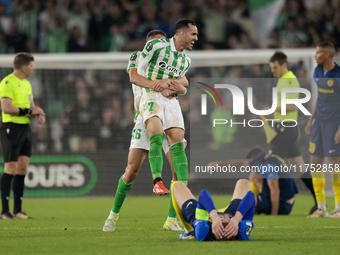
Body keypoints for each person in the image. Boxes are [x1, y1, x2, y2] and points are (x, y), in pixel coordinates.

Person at [103, 30, 188, 232]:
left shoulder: (172, 61)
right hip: (144, 116)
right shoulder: (138, 56)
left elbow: (184, 82)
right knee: (131, 171)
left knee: (177, 170)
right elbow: (134, 77)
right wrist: (159, 86)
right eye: (155, 44)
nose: (160, 48)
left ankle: (171, 219)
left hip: (167, 114)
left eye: (162, 44)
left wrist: (174, 85)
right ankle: (112, 216)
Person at [136, 19, 198, 195]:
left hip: (171, 101)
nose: (196, 38)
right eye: (193, 34)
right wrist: (157, 85)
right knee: (155, 134)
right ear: (182, 33)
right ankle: (157, 181)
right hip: (151, 94)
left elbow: (182, 85)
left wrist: (177, 87)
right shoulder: (156, 46)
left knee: (178, 143)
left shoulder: (186, 61)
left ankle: (183, 189)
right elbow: (139, 73)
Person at [269, 51, 317, 214]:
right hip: (284, 128)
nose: (272, 71)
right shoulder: (283, 80)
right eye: (271, 68)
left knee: (271, 162)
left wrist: (270, 108)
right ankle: (319, 200)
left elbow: (294, 105)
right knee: (299, 168)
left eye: (275, 67)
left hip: (286, 128)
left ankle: (277, 202)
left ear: (284, 65)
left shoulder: (289, 80)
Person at [0, 52, 45, 219]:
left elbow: (31, 108)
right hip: (11, 128)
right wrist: (29, 111)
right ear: (24, 67)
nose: (33, 69)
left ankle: (17, 210)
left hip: (25, 129)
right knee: (10, 169)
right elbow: (6, 107)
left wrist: (38, 114)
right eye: (32, 66)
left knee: (23, 168)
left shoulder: (27, 84)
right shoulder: (7, 82)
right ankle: (5, 211)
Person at [305, 42, 340, 218]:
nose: (315, 55)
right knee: (315, 163)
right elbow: (320, 96)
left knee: (335, 164)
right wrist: (311, 120)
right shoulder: (317, 71)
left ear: (327, 54)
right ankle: (321, 208)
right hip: (318, 123)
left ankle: (339, 208)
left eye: (318, 52)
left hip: (334, 123)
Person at [209, 146, 298, 215]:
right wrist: (219, 164)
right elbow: (242, 163)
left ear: (256, 160)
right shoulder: (267, 159)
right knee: (254, 176)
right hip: (285, 201)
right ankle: (251, 207)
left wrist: (273, 214)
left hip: (283, 206)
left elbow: (275, 191)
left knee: (253, 180)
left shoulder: (268, 166)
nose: (249, 164)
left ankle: (228, 211)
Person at [171, 179, 255, 241]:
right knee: (243, 182)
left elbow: (203, 194)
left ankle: (189, 230)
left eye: (223, 220)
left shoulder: (203, 232)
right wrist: (236, 219)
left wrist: (214, 217)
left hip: (202, 219)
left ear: (215, 228)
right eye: (228, 220)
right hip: (233, 214)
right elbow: (251, 196)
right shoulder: (241, 232)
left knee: (176, 185)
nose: (224, 216)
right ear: (234, 228)